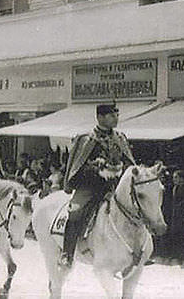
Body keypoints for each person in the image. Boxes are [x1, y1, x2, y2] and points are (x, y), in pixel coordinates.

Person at [59, 102, 135, 268]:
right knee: (75, 212)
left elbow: (129, 163)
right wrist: (97, 169)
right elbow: (77, 165)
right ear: (100, 117)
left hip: (114, 186)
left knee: (137, 208)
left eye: (117, 115)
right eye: (111, 115)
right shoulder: (86, 139)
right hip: (90, 186)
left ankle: (138, 250)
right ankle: (67, 253)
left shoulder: (120, 138)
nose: (116, 118)